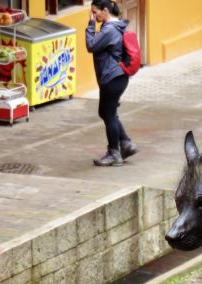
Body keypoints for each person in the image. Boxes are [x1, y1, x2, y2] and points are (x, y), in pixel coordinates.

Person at [86, 0, 138, 167]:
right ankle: (125, 144)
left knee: (108, 114)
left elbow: (91, 45)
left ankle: (114, 153)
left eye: (95, 12)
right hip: (117, 77)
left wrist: (91, 25)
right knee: (106, 112)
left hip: (112, 78)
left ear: (105, 10)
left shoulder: (109, 29)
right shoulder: (116, 26)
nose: (94, 15)